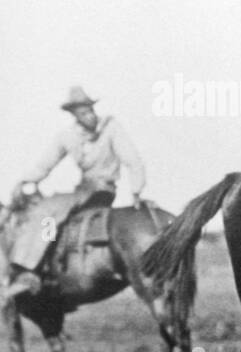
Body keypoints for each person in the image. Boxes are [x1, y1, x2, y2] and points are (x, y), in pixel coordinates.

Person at [4, 87, 145, 300]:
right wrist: (25, 180)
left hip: (103, 190)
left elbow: (132, 159)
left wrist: (136, 189)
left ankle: (29, 270)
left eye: (90, 110)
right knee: (50, 208)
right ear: (74, 115)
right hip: (84, 188)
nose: (89, 116)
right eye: (82, 113)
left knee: (47, 210)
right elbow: (45, 165)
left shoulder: (111, 127)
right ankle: (45, 259)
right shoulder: (67, 136)